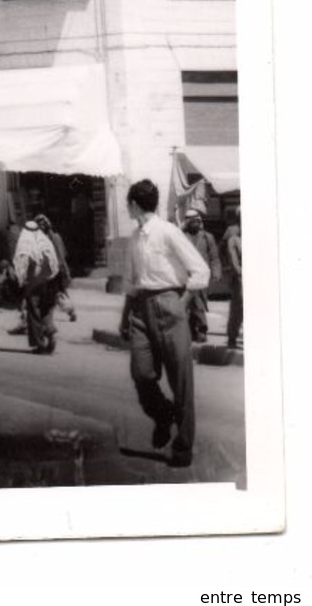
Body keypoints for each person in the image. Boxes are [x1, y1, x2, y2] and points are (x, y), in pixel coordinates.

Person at [119, 178, 211, 470]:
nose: (127, 208)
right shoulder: (134, 238)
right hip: (140, 310)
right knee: (142, 374)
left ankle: (183, 449)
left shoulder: (168, 232)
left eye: (128, 204)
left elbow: (200, 271)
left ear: (134, 204)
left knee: (181, 381)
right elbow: (132, 283)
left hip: (170, 306)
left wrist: (181, 303)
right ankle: (162, 415)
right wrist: (125, 316)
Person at [12, 216, 59, 354]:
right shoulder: (45, 242)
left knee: (34, 313)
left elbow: (21, 265)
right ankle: (50, 333)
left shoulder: (25, 243)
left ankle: (40, 345)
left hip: (33, 285)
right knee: (45, 310)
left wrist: (21, 282)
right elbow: (54, 262)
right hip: (49, 282)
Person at [181, 208, 222, 342]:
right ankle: (199, 329)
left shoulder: (207, 237)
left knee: (198, 302)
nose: (194, 224)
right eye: (190, 221)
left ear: (199, 221)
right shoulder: (181, 236)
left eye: (196, 221)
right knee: (194, 303)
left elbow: (214, 257)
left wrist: (216, 272)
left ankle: (198, 330)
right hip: (186, 275)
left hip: (202, 275)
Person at [37, 214, 78, 323]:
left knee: (55, 294)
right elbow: (63, 254)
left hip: (55, 270)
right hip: (60, 269)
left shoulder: (48, 240)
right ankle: (71, 311)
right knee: (62, 292)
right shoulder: (57, 237)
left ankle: (49, 320)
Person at [223, 208, 243, 350]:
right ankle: (232, 336)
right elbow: (235, 262)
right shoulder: (233, 239)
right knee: (238, 308)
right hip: (239, 278)